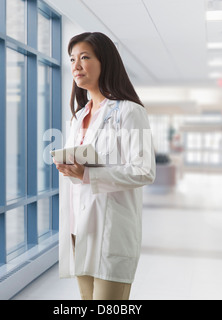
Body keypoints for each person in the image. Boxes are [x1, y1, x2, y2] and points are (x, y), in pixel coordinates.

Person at [53, 32, 156, 300]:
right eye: (72, 59)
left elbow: (145, 170)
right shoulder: (79, 116)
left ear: (105, 62)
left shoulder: (130, 112)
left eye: (85, 57)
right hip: (79, 229)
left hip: (111, 231)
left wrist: (88, 174)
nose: (75, 66)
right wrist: (70, 168)